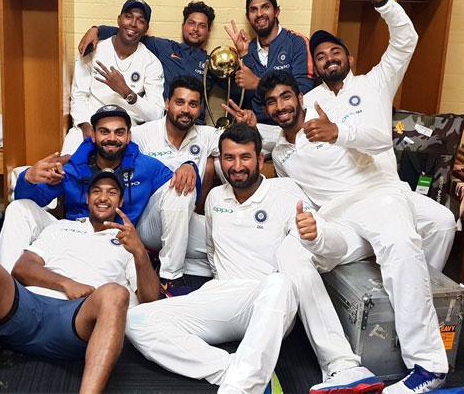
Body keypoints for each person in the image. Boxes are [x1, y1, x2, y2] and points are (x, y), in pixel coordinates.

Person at [263, 0, 451, 393]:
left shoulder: (373, 83)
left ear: (348, 56)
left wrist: (381, 0)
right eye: (321, 55)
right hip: (339, 217)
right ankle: (343, 364)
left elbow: (404, 45)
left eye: (336, 52)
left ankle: (426, 360)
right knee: (291, 252)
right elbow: (279, 117)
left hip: (379, 193)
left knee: (427, 230)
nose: (329, 58)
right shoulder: (306, 104)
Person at [125, 124, 383, 394]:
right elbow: (213, 252)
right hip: (222, 294)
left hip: (269, 299)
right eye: (229, 158)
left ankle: (240, 388)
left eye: (245, 157)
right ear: (220, 160)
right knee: (137, 321)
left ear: (260, 159)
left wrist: (318, 236)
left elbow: (331, 249)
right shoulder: (215, 197)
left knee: (280, 280)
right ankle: (234, 369)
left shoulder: (285, 190)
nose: (237, 166)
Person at [0, 170, 160, 394]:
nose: (103, 197)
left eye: (112, 192)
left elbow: (150, 298)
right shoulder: (60, 227)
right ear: (87, 198)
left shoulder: (128, 245)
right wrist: (66, 283)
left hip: (75, 321)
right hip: (28, 309)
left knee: (116, 293)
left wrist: (139, 253)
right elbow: (22, 268)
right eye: (96, 191)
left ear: (121, 201)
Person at [0, 105, 198, 293]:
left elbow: (178, 186)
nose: (112, 138)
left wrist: (189, 166)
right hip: (75, 230)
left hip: (123, 235)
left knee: (181, 190)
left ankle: (170, 277)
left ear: (128, 137)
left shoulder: (145, 166)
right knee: (17, 208)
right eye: (104, 131)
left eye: (119, 132)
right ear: (92, 135)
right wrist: (27, 179)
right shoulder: (72, 168)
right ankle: (3, 291)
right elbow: (32, 200)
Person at [130, 75, 222, 279]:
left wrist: (248, 126)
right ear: (166, 103)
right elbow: (106, 141)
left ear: (199, 109)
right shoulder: (144, 133)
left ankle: (223, 286)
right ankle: (169, 276)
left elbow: (237, 145)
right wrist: (67, 159)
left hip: (186, 219)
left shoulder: (206, 135)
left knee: (225, 236)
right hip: (149, 222)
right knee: (179, 188)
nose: (186, 110)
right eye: (179, 102)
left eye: (193, 104)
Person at [78, 1, 216, 125]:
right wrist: (97, 30)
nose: (195, 29)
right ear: (183, 25)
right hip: (167, 123)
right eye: (191, 23)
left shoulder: (214, 62)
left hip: (196, 124)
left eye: (202, 26)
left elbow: (233, 90)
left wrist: (239, 57)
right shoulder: (164, 47)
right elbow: (129, 32)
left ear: (208, 31)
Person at [63, 0, 165, 155]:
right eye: (128, 16)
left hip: (129, 131)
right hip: (90, 123)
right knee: (66, 164)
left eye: (140, 20)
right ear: (119, 19)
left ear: (146, 28)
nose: (133, 24)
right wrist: (84, 125)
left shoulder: (151, 63)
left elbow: (156, 114)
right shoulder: (94, 50)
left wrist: (126, 92)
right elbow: (79, 94)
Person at [224, 0, 314, 126]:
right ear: (248, 17)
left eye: (265, 7)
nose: (259, 14)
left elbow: (305, 90)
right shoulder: (249, 49)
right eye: (253, 10)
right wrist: (244, 55)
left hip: (291, 126)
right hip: (256, 128)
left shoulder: (297, 42)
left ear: (276, 12)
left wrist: (258, 84)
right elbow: (246, 101)